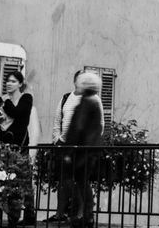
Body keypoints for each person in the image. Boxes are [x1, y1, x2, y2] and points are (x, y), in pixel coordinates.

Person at [0, 71, 36, 227]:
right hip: (1, 146)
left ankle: (23, 215)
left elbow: (18, 113)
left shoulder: (26, 99)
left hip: (19, 146)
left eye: (13, 81)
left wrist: (7, 102)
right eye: (8, 81)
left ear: (20, 84)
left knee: (20, 180)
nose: (9, 83)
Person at [65, 72, 104, 228]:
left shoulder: (86, 102)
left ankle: (85, 215)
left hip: (83, 150)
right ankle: (85, 215)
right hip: (90, 149)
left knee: (81, 182)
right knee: (82, 182)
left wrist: (68, 150)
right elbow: (98, 126)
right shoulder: (94, 101)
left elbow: (77, 127)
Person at [47, 70, 85, 223]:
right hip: (64, 146)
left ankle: (81, 214)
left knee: (81, 181)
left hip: (82, 147)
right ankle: (59, 213)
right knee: (64, 180)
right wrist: (57, 139)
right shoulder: (65, 98)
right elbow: (57, 121)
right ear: (75, 81)